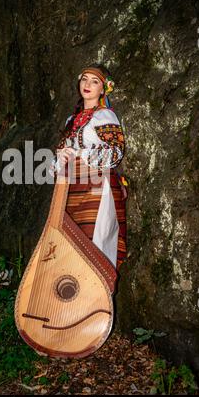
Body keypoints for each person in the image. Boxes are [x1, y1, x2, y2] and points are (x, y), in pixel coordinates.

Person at [50, 63, 127, 270]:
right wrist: (60, 158)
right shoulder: (71, 120)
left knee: (97, 244)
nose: (88, 84)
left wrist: (81, 153)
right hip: (71, 191)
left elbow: (115, 153)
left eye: (94, 81)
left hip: (97, 188)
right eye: (84, 79)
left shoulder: (105, 116)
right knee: (72, 246)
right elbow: (58, 161)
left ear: (103, 89)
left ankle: (100, 298)